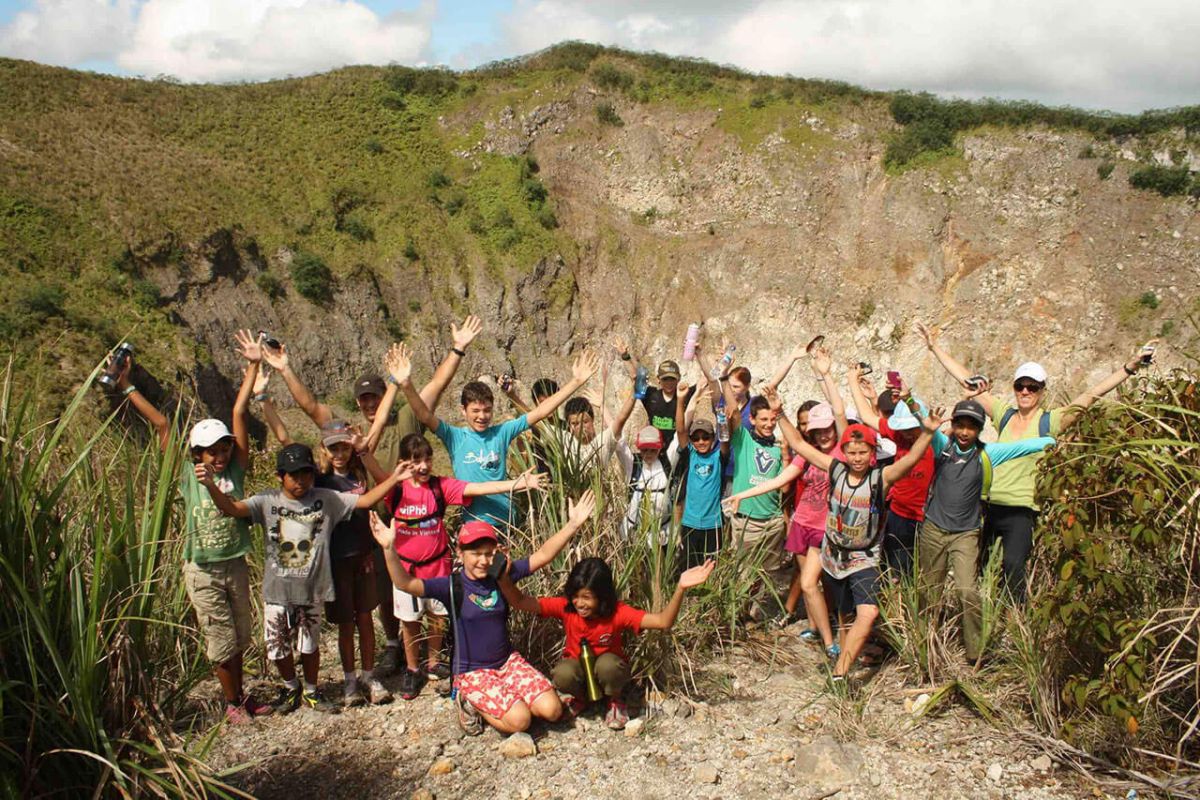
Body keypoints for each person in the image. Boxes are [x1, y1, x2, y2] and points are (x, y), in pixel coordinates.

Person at [261, 315, 484, 675]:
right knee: (384, 590)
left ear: (385, 397)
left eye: (375, 397)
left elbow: (436, 386)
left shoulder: (406, 417)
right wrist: (285, 369)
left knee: (419, 588)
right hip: (370, 525)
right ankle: (395, 647)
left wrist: (457, 349)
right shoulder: (346, 434)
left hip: (410, 521)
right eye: (363, 399)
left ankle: (429, 655)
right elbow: (310, 407)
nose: (369, 404)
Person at [915, 321, 1156, 599]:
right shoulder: (1004, 415)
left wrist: (1129, 367)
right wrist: (934, 348)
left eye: (1033, 387)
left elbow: (1090, 396)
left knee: (1013, 567)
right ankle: (983, 616)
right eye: (1020, 386)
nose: (1025, 392)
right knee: (980, 568)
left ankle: (1013, 617)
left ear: (1042, 391)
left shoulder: (1048, 422)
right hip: (989, 506)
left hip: (1022, 510)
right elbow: (968, 380)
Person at [117, 329, 273, 723]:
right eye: (210, 452)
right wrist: (126, 385)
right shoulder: (187, 475)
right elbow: (162, 425)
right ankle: (232, 703)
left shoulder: (235, 470)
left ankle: (240, 696)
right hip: (202, 567)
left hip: (234, 562)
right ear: (196, 454)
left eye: (223, 448)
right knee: (220, 639)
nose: (219, 456)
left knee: (239, 636)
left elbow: (238, 413)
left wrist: (253, 365)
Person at [196, 443, 413, 713]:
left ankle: (311, 690)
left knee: (310, 645)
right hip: (277, 590)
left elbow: (365, 501)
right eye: (294, 475)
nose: (301, 480)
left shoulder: (326, 498)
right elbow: (232, 509)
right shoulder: (266, 501)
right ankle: (291, 686)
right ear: (280, 476)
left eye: (306, 473)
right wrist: (210, 486)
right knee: (277, 647)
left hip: (312, 589)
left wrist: (395, 478)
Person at [370, 491, 598, 737]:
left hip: (507, 662)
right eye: (475, 554)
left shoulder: (501, 576)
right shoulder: (451, 586)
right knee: (521, 721)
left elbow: (542, 556)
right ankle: (468, 699)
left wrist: (573, 525)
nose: (483, 561)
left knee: (552, 710)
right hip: (472, 671)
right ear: (460, 553)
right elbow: (405, 583)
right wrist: (389, 549)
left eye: (489, 553)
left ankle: (508, 698)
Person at [771, 387, 944, 685]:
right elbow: (798, 444)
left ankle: (840, 673)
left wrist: (927, 433)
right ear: (845, 453)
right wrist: (780, 413)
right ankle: (840, 665)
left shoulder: (881, 478)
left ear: (873, 454)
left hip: (864, 557)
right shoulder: (836, 469)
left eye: (863, 452)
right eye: (851, 452)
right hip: (835, 556)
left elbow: (910, 461)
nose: (857, 458)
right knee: (844, 615)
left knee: (869, 612)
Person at [385, 432, 547, 701]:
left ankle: (433, 663)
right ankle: (412, 669)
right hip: (406, 567)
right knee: (409, 621)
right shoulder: (397, 490)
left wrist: (519, 483)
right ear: (403, 461)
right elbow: (373, 486)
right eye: (416, 460)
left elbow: (477, 488)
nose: (423, 465)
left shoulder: (439, 486)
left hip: (438, 564)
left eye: (427, 458)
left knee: (438, 616)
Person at [389, 342, 600, 533]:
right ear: (463, 410)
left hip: (508, 523)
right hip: (474, 525)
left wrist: (576, 382)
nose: (482, 416)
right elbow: (423, 414)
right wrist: (406, 384)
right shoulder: (454, 436)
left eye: (487, 410)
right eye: (475, 411)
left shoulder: (502, 432)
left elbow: (540, 412)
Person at [498, 557, 716, 730]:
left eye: (587, 597)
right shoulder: (566, 607)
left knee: (608, 665)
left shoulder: (618, 613)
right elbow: (520, 601)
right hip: (579, 671)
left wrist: (680, 588)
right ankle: (581, 698)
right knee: (562, 673)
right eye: (576, 596)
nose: (580, 603)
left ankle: (615, 700)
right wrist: (502, 577)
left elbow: (662, 621)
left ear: (602, 596)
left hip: (608, 673)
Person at [917, 399, 1055, 664]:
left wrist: (1054, 442)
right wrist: (909, 400)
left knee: (967, 591)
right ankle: (925, 648)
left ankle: (976, 654)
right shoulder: (942, 446)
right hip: (933, 529)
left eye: (971, 427)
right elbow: (923, 418)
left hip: (966, 534)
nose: (964, 432)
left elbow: (1025, 446)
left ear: (980, 430)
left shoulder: (987, 454)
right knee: (929, 591)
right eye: (960, 425)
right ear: (953, 425)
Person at [725, 400, 841, 647]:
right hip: (802, 523)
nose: (823, 435)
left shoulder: (840, 455)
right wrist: (742, 495)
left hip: (824, 528)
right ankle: (814, 627)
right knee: (806, 581)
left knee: (812, 582)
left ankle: (830, 640)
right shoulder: (806, 455)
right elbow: (780, 481)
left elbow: (838, 415)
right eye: (817, 431)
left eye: (827, 429)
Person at [314, 420, 395, 708]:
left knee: (365, 617)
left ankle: (369, 676)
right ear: (324, 449)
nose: (339, 454)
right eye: (333, 448)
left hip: (363, 554)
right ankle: (350, 680)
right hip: (337, 558)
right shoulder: (320, 480)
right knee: (346, 624)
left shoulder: (359, 472)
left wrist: (362, 447)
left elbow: (380, 421)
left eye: (344, 448)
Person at [847, 366, 934, 577]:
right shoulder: (899, 436)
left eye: (911, 429)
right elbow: (867, 417)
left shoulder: (933, 442)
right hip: (898, 513)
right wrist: (852, 381)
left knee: (919, 571)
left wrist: (909, 400)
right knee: (892, 569)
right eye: (904, 429)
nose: (908, 434)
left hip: (925, 517)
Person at [673, 383, 731, 570]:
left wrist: (721, 417)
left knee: (711, 569)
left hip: (713, 524)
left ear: (713, 438)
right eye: (696, 438)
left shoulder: (718, 457)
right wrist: (680, 400)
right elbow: (680, 430)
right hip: (690, 523)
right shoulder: (691, 454)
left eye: (705, 437)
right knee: (689, 567)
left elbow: (725, 439)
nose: (701, 441)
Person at [617, 425, 683, 544]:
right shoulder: (632, 463)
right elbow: (617, 438)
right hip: (633, 533)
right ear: (639, 448)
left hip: (662, 533)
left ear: (660, 448)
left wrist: (689, 410)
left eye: (653, 450)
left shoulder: (667, 463)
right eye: (644, 450)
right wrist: (604, 412)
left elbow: (680, 433)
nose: (648, 453)